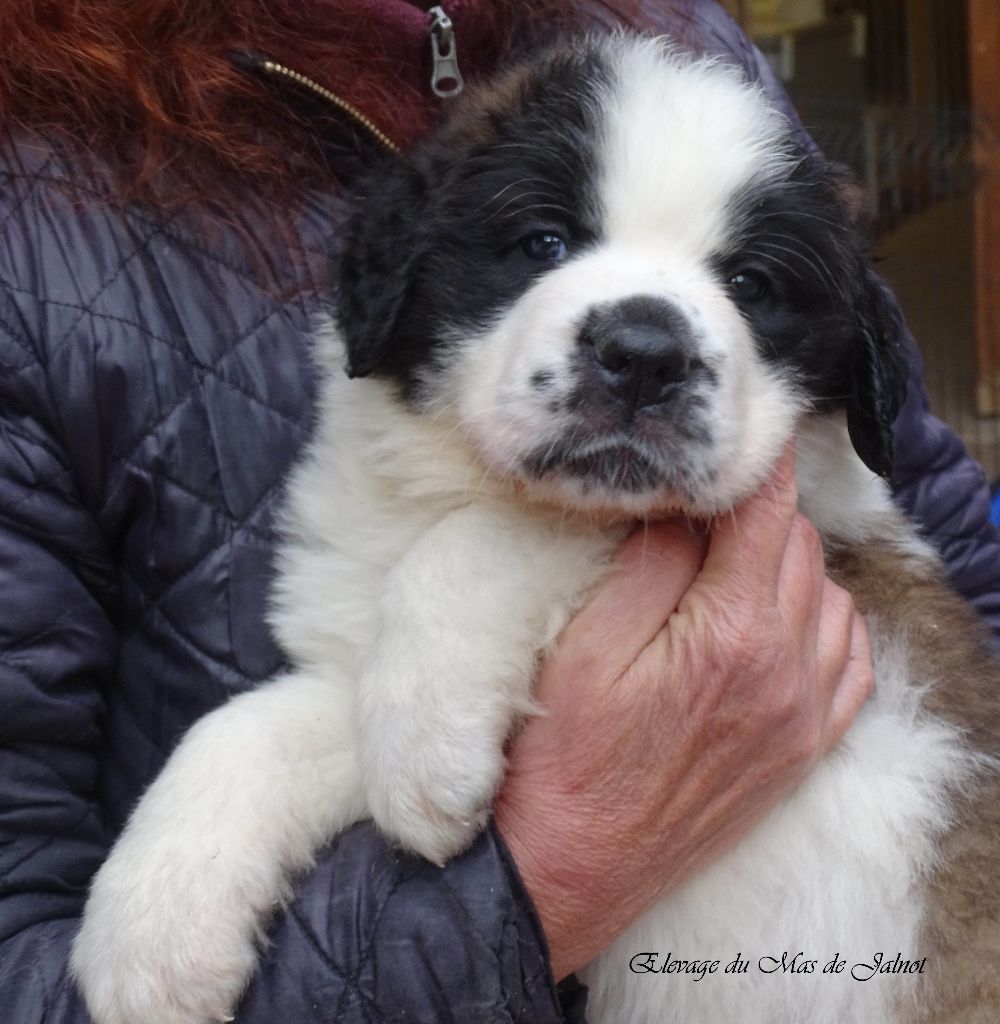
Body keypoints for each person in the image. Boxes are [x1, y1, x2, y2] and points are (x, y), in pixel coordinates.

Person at [0, 2, 997, 1021]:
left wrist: (471, 580)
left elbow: (951, 544)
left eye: (746, 280)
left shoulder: (678, 24)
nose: (644, 347)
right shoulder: (34, 207)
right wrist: (527, 872)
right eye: (545, 241)